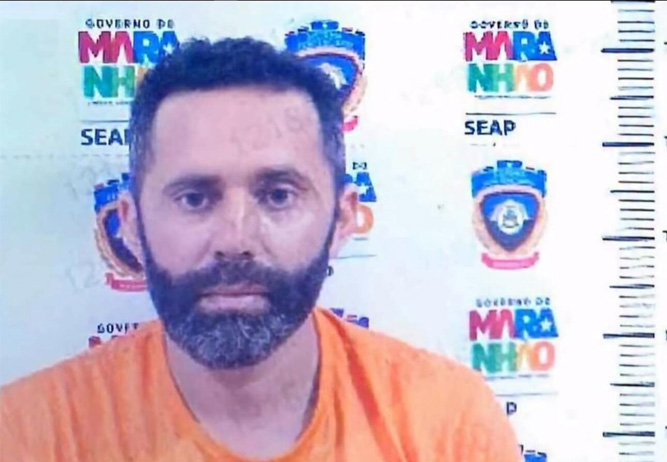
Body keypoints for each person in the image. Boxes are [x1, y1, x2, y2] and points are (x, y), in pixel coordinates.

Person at [0, 37, 521, 462]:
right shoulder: (29, 433)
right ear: (131, 226)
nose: (235, 240)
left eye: (278, 196)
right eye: (194, 198)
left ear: (343, 219)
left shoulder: (447, 424)